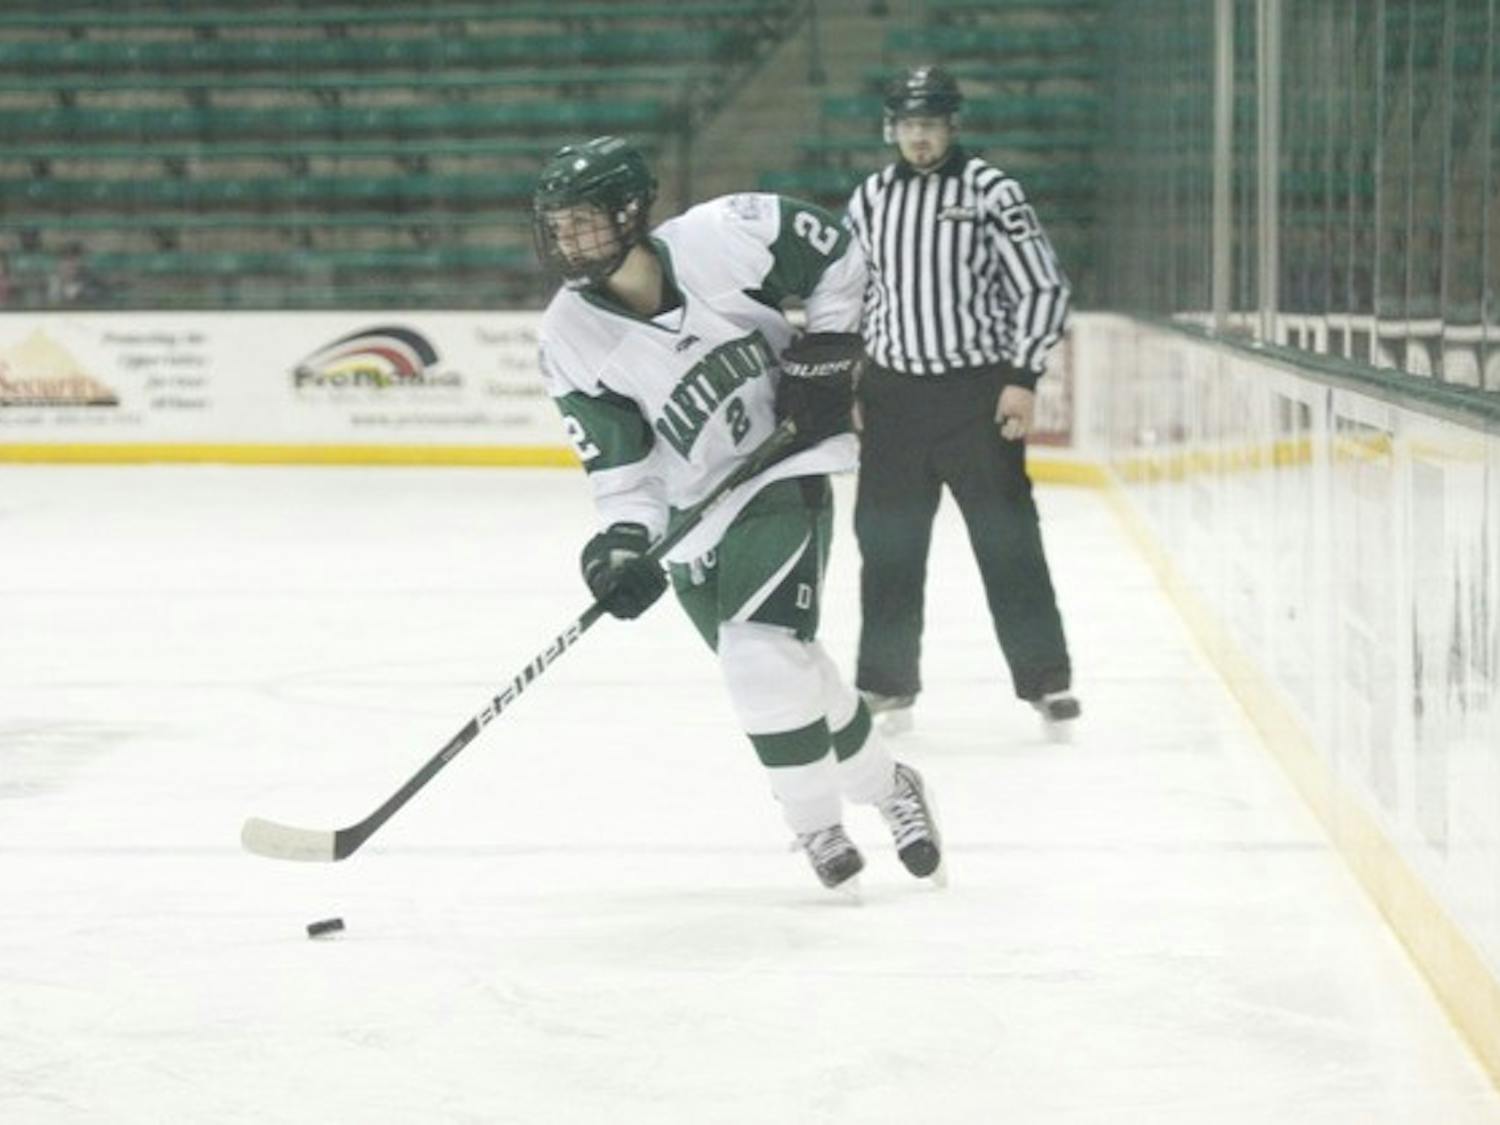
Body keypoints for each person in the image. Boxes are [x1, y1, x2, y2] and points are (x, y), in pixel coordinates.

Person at [531, 135, 942, 892]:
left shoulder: (723, 237)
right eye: (558, 226)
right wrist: (619, 551)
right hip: (696, 514)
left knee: (758, 654)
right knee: (791, 670)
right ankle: (893, 788)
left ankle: (816, 826)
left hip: (784, 464)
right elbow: (624, 477)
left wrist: (829, 347)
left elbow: (837, 252)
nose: (568, 240)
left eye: (583, 221)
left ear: (630, 210)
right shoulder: (569, 336)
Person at [843, 65, 1080, 737]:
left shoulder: (990, 190)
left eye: (930, 124)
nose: (919, 137)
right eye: (909, 124)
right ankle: (886, 683)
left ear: (952, 125)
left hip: (975, 396)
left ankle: (1047, 682)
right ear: (892, 128)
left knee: (1008, 541)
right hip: (893, 399)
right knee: (888, 545)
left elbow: (1042, 287)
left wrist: (1022, 376)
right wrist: (852, 378)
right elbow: (851, 291)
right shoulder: (870, 197)